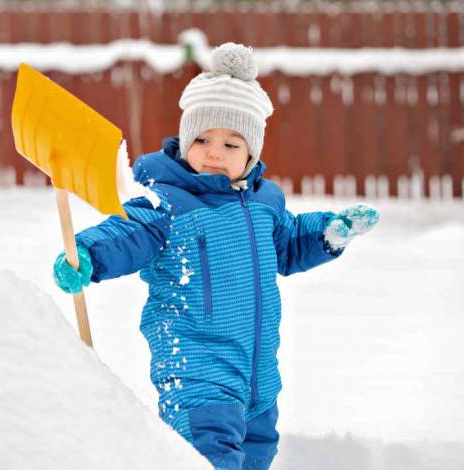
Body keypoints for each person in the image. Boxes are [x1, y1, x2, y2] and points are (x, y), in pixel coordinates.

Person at [51, 42, 379, 470]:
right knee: (208, 458)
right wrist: (89, 254)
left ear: (251, 154)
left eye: (231, 143)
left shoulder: (265, 205)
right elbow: (129, 232)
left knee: (257, 455)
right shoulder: (168, 202)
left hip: (258, 375)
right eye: (202, 139)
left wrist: (329, 233)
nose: (214, 152)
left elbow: (290, 242)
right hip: (196, 369)